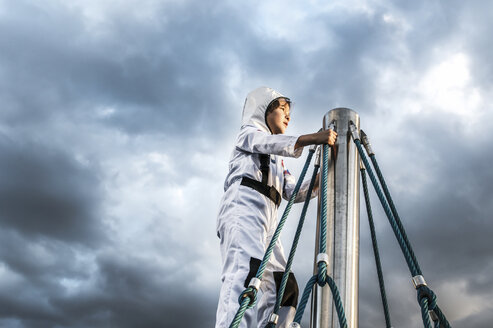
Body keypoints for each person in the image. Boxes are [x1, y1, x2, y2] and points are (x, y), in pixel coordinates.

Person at [215, 87, 337, 328]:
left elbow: (293, 191)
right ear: (263, 110)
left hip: (267, 215)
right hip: (243, 207)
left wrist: (327, 173)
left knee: (284, 285)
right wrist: (312, 138)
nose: (288, 116)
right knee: (245, 273)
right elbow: (268, 143)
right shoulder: (248, 134)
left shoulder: (278, 159)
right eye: (282, 109)